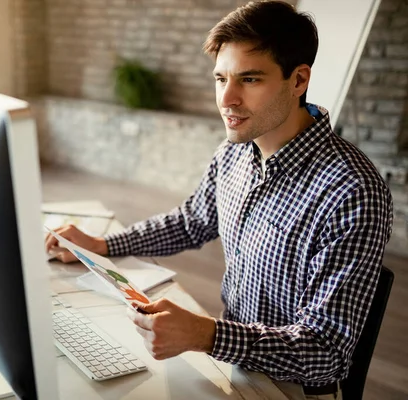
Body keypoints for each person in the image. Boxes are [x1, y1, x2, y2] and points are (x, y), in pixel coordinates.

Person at [44, 1, 393, 399]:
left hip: (291, 387)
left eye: (249, 80)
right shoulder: (234, 151)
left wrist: (206, 334)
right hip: (231, 358)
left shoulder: (352, 190)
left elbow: (325, 352)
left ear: (298, 80)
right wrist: (102, 245)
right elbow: (193, 220)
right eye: (220, 78)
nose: (227, 99)